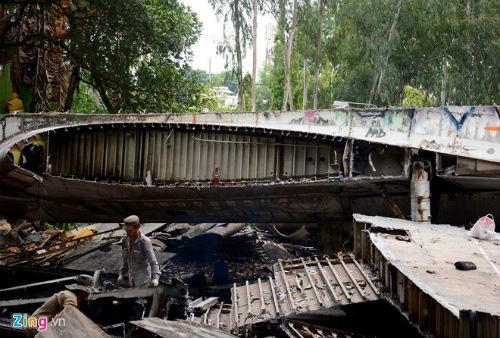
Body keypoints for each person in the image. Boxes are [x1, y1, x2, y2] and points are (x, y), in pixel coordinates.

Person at [118, 215, 161, 288]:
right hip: (131, 278)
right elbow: (125, 259)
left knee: (142, 298)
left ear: (137, 227)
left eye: (130, 230)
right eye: (126, 230)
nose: (128, 233)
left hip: (143, 280)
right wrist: (121, 274)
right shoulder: (125, 240)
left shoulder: (145, 242)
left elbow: (153, 262)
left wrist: (155, 278)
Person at [32, 274, 96, 321]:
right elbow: (70, 315)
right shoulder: (70, 297)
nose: (88, 294)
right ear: (82, 291)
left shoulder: (70, 295)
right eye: (88, 292)